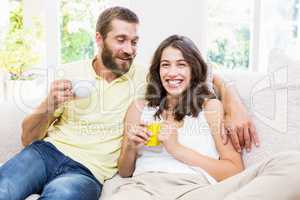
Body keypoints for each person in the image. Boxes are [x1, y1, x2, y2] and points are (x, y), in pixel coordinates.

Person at [0, 7, 256, 200]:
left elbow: (202, 73)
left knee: (61, 196)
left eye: (134, 42)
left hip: (89, 171)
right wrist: (48, 104)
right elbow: (27, 138)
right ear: (99, 39)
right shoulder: (68, 72)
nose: (129, 49)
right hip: (47, 152)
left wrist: (234, 105)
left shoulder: (149, 77)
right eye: (120, 40)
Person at [109, 35, 300, 200]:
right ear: (158, 71)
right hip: (145, 189)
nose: (172, 72)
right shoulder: (139, 108)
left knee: (293, 165)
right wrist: (130, 147)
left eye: (181, 64)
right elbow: (125, 172)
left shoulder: (210, 108)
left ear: (194, 70)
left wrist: (177, 149)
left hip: (197, 191)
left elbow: (234, 170)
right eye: (165, 65)